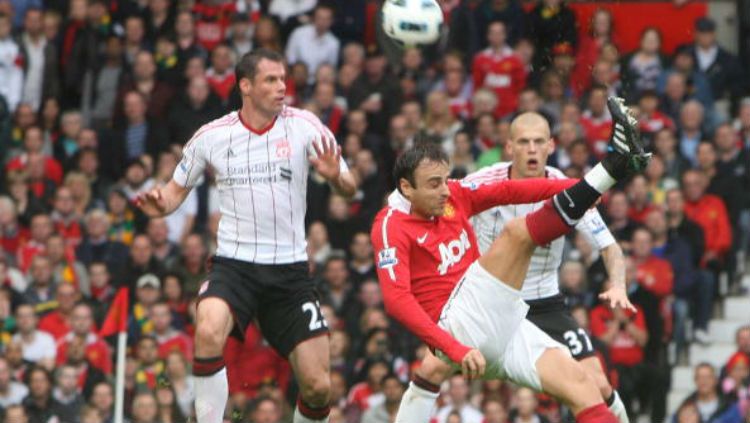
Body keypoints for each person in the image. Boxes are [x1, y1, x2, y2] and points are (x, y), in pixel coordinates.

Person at [371, 97, 649, 423]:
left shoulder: (454, 194)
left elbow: (511, 192)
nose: (445, 191)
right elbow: (396, 300)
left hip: (509, 316)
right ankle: (614, 165)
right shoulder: (390, 226)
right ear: (406, 188)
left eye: (445, 180)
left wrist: (578, 187)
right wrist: (453, 347)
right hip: (460, 318)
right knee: (517, 235)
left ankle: (610, 170)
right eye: (434, 184)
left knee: (584, 386)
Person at [136, 48, 357, 423]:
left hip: (289, 273)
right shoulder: (212, 136)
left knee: (319, 387)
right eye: (271, 80)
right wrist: (159, 203)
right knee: (206, 330)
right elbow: (172, 195)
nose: (281, 87)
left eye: (283, 79)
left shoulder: (305, 126)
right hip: (234, 266)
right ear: (246, 86)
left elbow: (349, 187)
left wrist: (336, 176)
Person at [462, 112, 629, 422]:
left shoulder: (569, 191)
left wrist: (618, 284)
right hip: (492, 303)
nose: (532, 149)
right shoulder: (479, 183)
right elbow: (444, 212)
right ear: (509, 147)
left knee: (600, 385)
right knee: (436, 368)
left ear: (551, 145)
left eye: (539, 142)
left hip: (544, 305)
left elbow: (610, 247)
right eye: (523, 142)